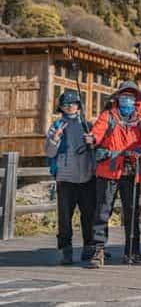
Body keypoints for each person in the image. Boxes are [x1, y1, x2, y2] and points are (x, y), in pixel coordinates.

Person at [85, 81, 141, 268]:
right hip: (109, 170)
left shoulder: (140, 119)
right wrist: (92, 138)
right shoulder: (108, 115)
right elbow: (97, 131)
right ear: (118, 97)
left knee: (132, 212)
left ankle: (133, 250)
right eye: (124, 96)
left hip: (131, 170)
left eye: (131, 96)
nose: (127, 99)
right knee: (103, 210)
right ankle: (98, 250)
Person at [45, 90, 96, 265]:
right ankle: (65, 250)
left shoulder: (87, 125)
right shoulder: (56, 125)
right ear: (60, 107)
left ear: (78, 106)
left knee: (88, 216)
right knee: (65, 218)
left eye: (73, 103)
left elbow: (95, 150)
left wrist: (92, 142)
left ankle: (89, 247)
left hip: (87, 177)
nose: (70, 106)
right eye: (66, 104)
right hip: (66, 178)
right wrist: (56, 138)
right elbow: (49, 152)